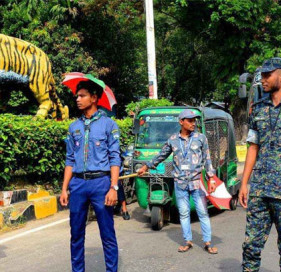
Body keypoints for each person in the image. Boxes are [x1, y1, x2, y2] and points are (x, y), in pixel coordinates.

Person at [239, 57, 281, 272]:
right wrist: (244, 183)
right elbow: (253, 146)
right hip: (261, 190)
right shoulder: (259, 109)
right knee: (250, 246)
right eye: (261, 75)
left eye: (266, 75)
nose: (262, 79)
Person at [60, 80, 121, 272]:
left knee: (107, 234)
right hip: (78, 184)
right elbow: (70, 159)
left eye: (82, 95)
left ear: (94, 98)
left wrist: (113, 187)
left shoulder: (108, 125)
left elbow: (115, 158)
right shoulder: (73, 127)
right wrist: (64, 188)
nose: (77, 99)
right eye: (77, 96)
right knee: (76, 234)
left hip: (101, 184)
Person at [137, 109, 218, 253]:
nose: (193, 123)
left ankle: (208, 242)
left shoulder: (201, 138)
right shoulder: (173, 140)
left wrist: (211, 178)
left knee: (203, 213)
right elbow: (161, 155)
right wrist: (145, 167)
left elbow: (207, 159)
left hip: (196, 183)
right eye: (190, 120)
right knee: (184, 213)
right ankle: (188, 241)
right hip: (180, 184)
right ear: (181, 122)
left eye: (194, 121)